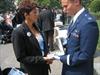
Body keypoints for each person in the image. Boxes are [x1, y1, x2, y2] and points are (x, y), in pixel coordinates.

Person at [49, 0, 99, 75]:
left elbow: (85, 54)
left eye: (66, 6)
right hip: (70, 68)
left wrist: (59, 58)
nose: (64, 10)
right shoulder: (76, 18)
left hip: (79, 71)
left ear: (76, 2)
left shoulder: (88, 23)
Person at [11, 0, 53, 75]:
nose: (38, 14)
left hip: (44, 67)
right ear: (26, 15)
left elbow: (42, 46)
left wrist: (47, 55)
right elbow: (21, 57)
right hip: (31, 71)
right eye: (35, 12)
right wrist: (42, 59)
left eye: (37, 12)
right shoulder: (18, 32)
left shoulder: (36, 27)